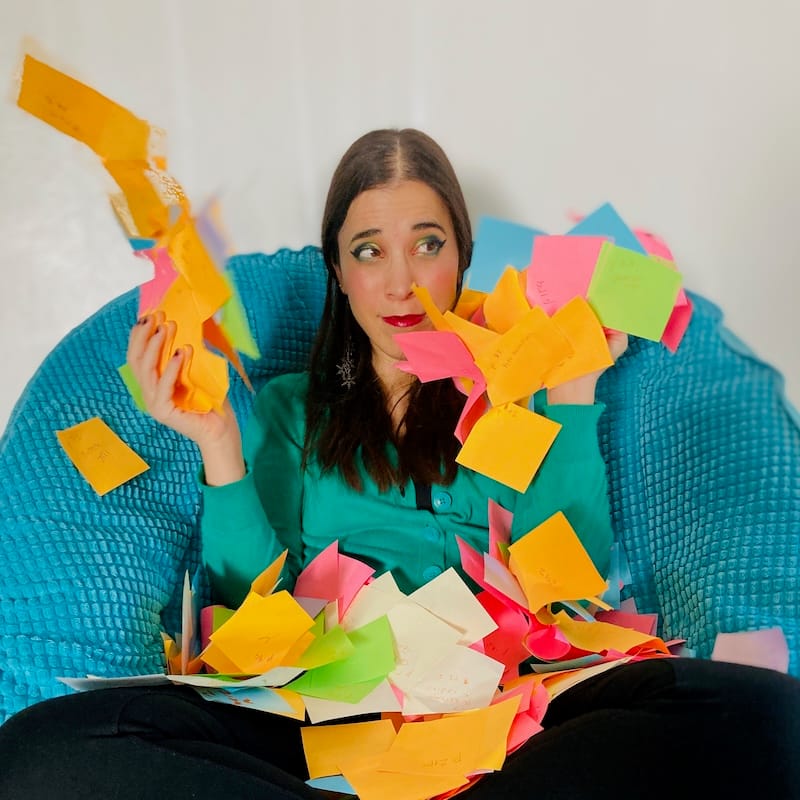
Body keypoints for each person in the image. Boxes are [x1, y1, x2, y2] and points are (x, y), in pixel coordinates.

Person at [0, 128, 798, 800]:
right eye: (368, 250)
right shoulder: (291, 408)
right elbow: (251, 615)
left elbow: (574, 584)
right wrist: (218, 448)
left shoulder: (521, 399)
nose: (400, 281)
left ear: (462, 258)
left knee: (765, 717)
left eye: (427, 244)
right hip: (321, 727)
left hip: (508, 726)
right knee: (41, 749)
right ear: (338, 274)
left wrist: (576, 387)